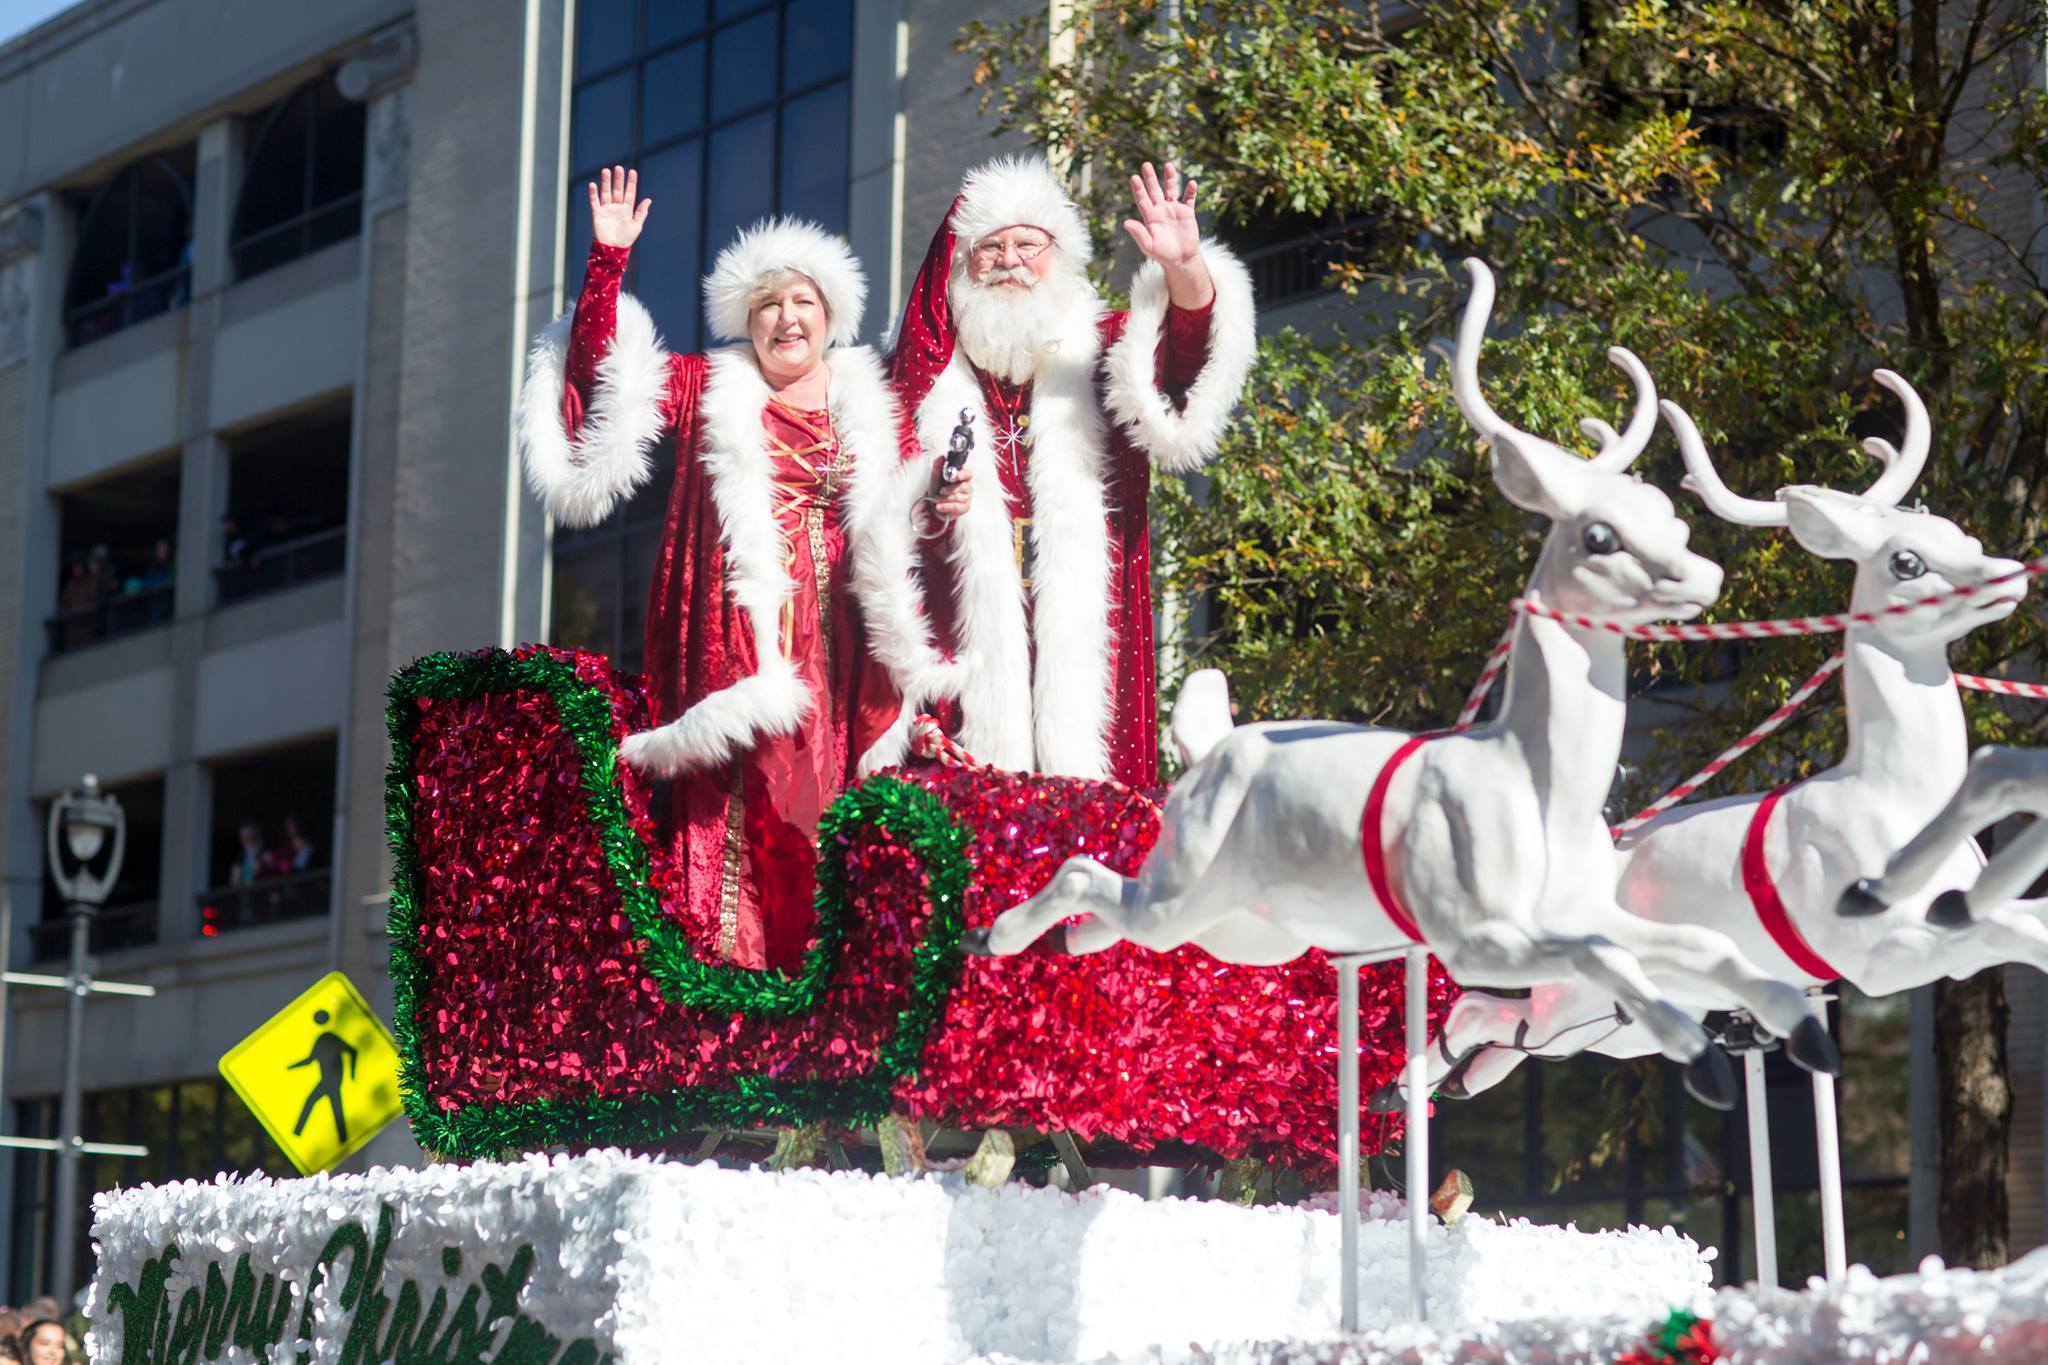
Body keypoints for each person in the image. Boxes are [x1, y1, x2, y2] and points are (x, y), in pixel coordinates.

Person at [519, 168, 954, 971]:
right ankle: (733, 994)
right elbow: (598, 372)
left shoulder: (873, 402)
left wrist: (942, 504)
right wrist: (608, 260)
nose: (786, 318)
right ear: (745, 322)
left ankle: (824, 986)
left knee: (833, 809)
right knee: (738, 809)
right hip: (737, 640)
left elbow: (909, 516)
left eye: (801, 302)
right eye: (768, 305)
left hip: (847, 648)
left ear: (829, 315)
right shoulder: (703, 386)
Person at [888, 157, 1257, 786]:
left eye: (1028, 244)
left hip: (1093, 651)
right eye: (989, 248)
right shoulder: (919, 380)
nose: (1009, 260)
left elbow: (1190, 357)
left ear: (1058, 256)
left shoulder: (1105, 347)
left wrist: (1184, 267)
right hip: (958, 658)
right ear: (958, 265)